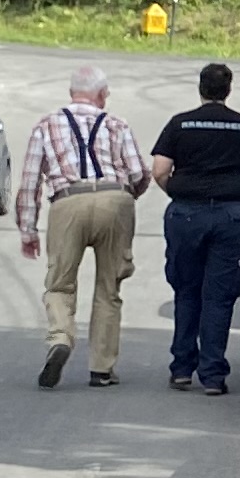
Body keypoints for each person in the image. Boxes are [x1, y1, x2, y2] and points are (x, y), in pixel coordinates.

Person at [17, 67, 149, 388]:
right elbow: (138, 173)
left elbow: (30, 182)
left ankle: (61, 338)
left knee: (60, 284)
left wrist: (28, 230)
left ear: (71, 92)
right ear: (101, 94)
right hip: (114, 199)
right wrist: (126, 197)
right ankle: (102, 369)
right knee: (109, 287)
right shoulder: (117, 124)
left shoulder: (45, 126)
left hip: (67, 201)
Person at [149, 61, 240, 395]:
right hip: (232, 216)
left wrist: (178, 192)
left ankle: (181, 369)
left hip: (187, 214)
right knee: (219, 295)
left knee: (186, 289)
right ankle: (213, 375)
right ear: (228, 90)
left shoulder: (180, 123)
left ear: (200, 88)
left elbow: (159, 169)